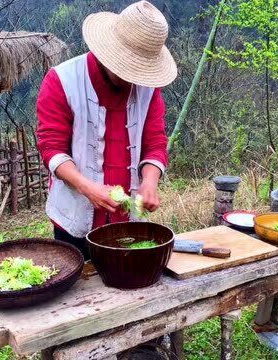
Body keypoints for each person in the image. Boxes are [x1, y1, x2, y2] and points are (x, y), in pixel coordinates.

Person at [36, 1, 177, 258]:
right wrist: (87, 187)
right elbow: (51, 149)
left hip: (127, 219)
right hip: (74, 218)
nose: (134, 78)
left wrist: (149, 181)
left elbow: (155, 142)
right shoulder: (63, 80)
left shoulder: (148, 88)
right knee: (80, 291)